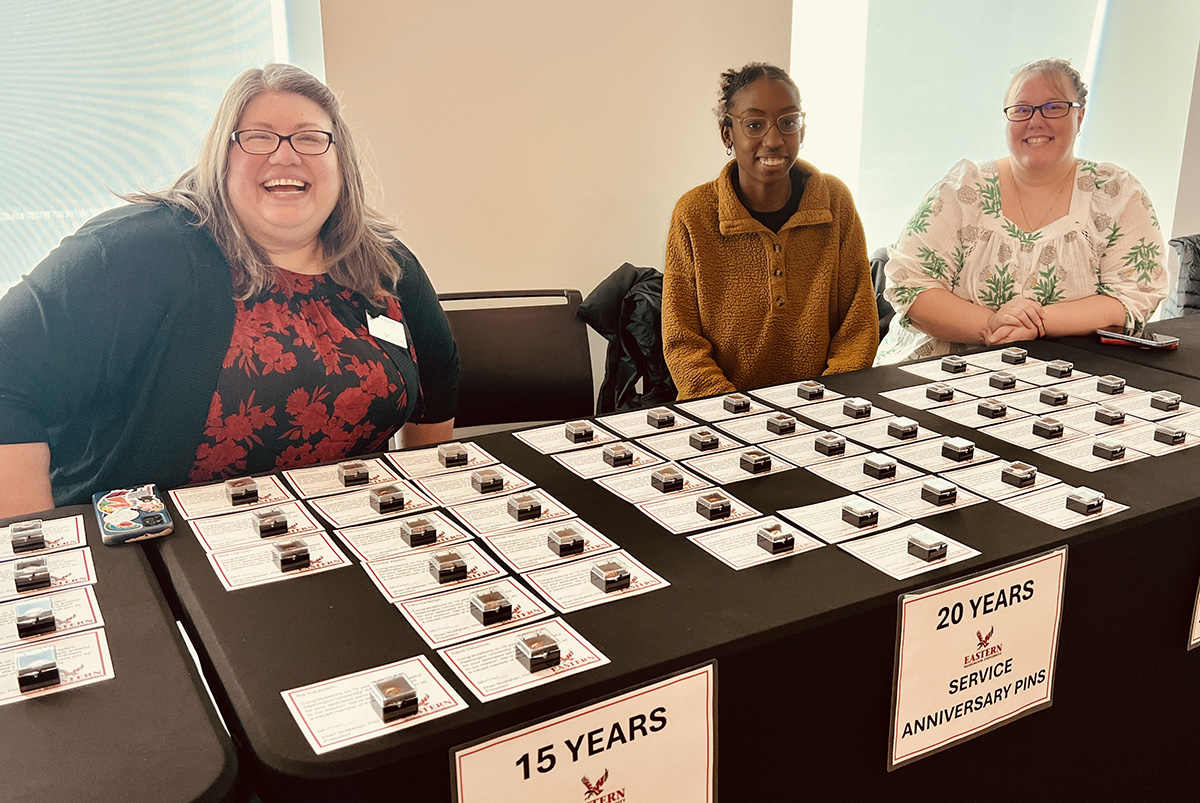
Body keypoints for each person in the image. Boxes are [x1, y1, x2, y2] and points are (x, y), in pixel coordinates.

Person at [0, 64, 458, 517]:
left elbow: (437, 379)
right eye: (257, 136)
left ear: (342, 161)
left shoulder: (385, 263)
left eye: (310, 137)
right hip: (156, 555)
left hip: (345, 538)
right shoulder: (134, 251)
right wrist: (35, 550)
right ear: (222, 156)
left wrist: (421, 501)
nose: (285, 156)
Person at [876, 58, 1167, 364]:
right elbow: (910, 284)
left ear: (1080, 117)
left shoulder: (1117, 193)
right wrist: (990, 325)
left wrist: (1036, 322)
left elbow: (1133, 297)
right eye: (1022, 109)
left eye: (1054, 107)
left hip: (1068, 374)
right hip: (938, 370)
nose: (1035, 121)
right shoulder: (963, 190)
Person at [662, 62, 879, 400]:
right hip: (721, 415)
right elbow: (682, 341)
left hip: (822, 409)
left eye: (789, 122)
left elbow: (858, 327)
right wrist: (732, 411)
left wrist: (830, 403)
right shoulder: (694, 214)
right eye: (754, 125)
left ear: (802, 131)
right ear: (727, 134)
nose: (774, 139)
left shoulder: (835, 203)